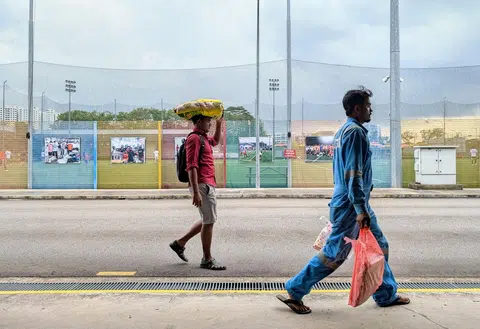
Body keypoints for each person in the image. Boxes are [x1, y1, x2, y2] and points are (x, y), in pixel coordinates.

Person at [277, 87, 410, 314]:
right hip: (352, 205)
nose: (371, 110)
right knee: (334, 254)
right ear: (357, 108)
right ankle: (295, 290)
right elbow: (353, 173)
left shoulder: (344, 131)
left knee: (379, 246)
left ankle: (385, 294)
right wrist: (360, 209)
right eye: (368, 105)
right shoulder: (355, 133)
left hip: (349, 201)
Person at [169, 113, 226, 271]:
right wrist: (195, 191)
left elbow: (214, 141)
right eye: (208, 121)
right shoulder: (194, 138)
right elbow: (191, 166)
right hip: (202, 184)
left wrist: (219, 124)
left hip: (206, 183)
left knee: (208, 219)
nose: (210, 124)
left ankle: (179, 243)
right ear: (199, 121)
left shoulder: (203, 138)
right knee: (209, 221)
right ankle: (207, 259)